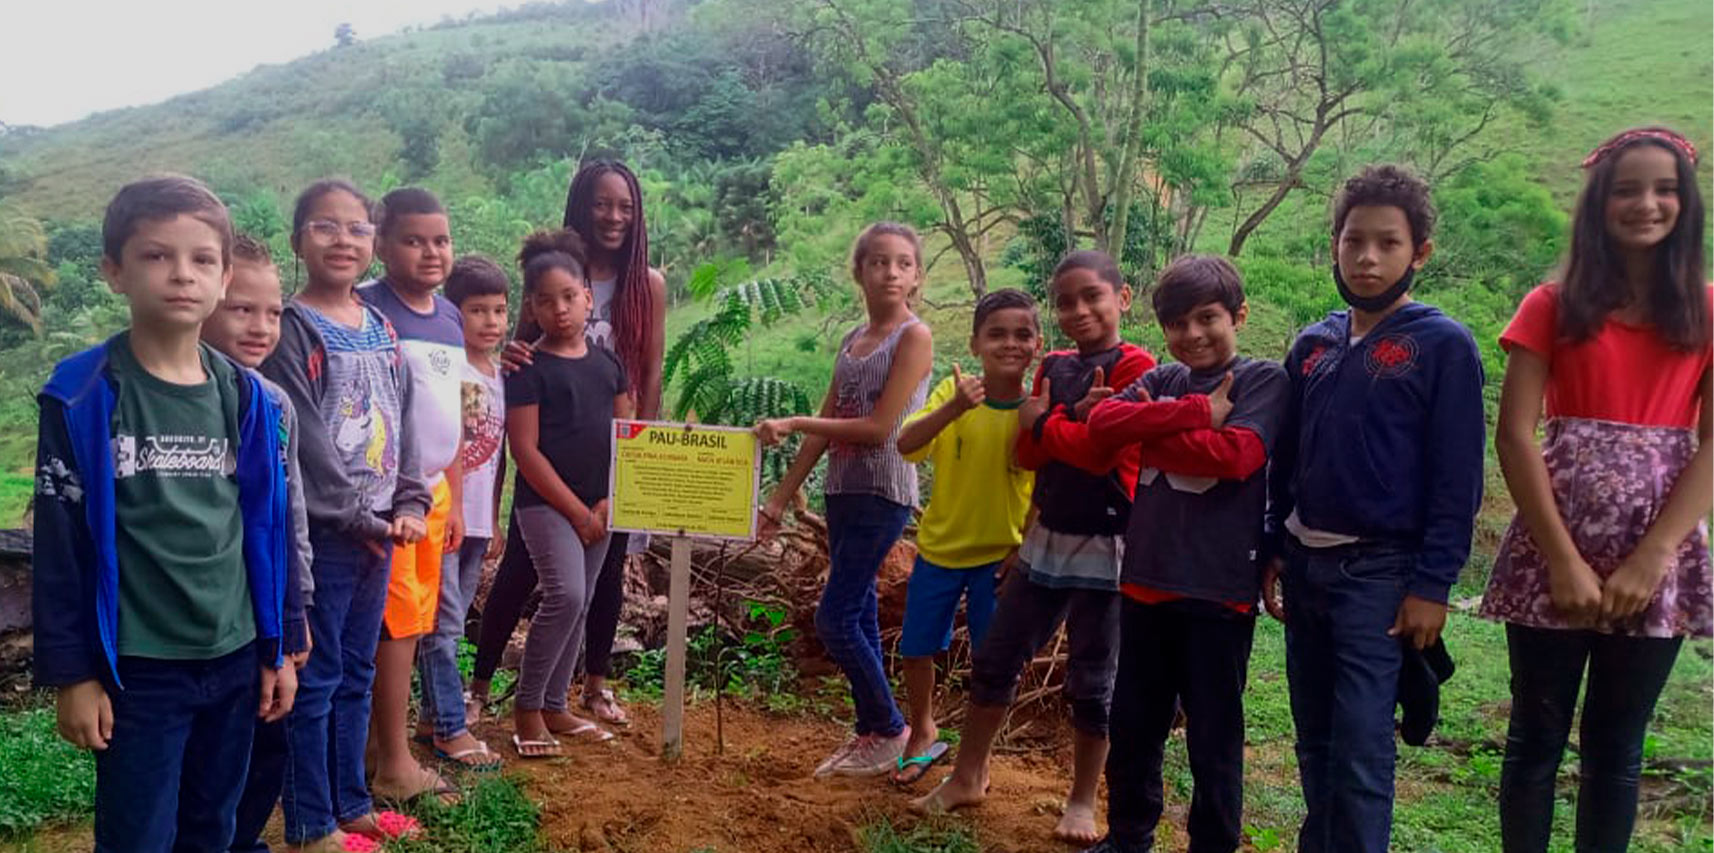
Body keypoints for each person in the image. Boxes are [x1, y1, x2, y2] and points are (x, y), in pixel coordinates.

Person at [32, 176, 297, 852]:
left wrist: (278, 647)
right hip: (139, 669)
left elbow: (267, 529)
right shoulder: (82, 396)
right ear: (114, 271)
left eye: (202, 259)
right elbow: (61, 547)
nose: (182, 274)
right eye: (155, 256)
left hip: (233, 657)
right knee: (138, 832)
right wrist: (74, 674)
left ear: (224, 274)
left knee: (213, 825)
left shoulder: (247, 397)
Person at [1479, 127, 1712, 853]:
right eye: (1627, 188)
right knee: (1536, 738)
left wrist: (1654, 556)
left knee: (1616, 748)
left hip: (1656, 561)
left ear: (1687, 201)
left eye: (1664, 188)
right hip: (1554, 550)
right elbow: (1516, 435)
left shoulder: (1705, 310)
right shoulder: (1551, 304)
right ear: (1598, 204)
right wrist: (1562, 559)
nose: (1647, 203)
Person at [1259, 165, 1486, 853]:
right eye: (1354, 239)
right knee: (1315, 737)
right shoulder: (1313, 344)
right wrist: (1273, 542)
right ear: (1333, 243)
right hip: (1304, 565)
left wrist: (1432, 584)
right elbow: (1286, 457)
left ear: (1420, 251)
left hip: (1380, 575)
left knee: (1360, 746)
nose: (1367, 257)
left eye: (1388, 242)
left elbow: (1457, 478)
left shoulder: (1442, 346)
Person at [915, 249, 1156, 845]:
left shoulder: (1139, 366)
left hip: (1112, 541)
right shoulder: (1051, 365)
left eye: (1092, 297)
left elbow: (1103, 450)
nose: (1080, 310)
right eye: (1067, 301)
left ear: (1122, 299)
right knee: (997, 655)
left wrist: (1049, 423)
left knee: (1094, 676)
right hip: (1044, 539)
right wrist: (1059, 426)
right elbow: (1027, 456)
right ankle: (968, 774)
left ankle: (1081, 800)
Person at [1082, 255, 1289, 853]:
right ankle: (1128, 837)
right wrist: (1197, 413)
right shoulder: (1168, 381)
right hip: (1146, 581)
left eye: (1207, 318)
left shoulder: (1263, 381)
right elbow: (1102, 426)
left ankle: (1213, 845)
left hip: (1219, 591)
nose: (1192, 334)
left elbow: (1238, 457)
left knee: (1213, 734)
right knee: (1134, 724)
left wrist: (1144, 433)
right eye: (1177, 323)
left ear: (1239, 315)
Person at [261, 179, 432, 852]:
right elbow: (301, 437)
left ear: (374, 242)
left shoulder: (382, 325)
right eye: (325, 227)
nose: (343, 240)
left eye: (357, 229)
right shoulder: (292, 327)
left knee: (358, 670)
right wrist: (362, 517)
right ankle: (310, 822)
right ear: (298, 237)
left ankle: (354, 804)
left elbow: (407, 419)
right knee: (319, 677)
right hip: (330, 536)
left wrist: (411, 497)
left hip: (384, 528)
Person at [470, 160, 667, 727]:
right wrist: (505, 353)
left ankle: (593, 686)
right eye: (602, 204)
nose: (614, 216)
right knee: (521, 571)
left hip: (611, 452)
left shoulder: (645, 284)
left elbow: (649, 372)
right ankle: (481, 685)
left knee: (603, 576)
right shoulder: (554, 272)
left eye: (625, 206)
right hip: (548, 448)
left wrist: (638, 456)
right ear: (582, 206)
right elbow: (517, 345)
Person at [753, 221, 935, 777]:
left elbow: (880, 428)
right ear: (859, 271)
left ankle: (890, 727)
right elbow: (825, 429)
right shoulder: (852, 342)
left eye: (903, 263)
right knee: (855, 609)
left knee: (834, 618)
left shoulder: (914, 336)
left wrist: (794, 419)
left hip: (884, 490)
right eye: (879, 261)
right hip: (843, 491)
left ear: (917, 277)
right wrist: (781, 499)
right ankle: (871, 735)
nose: (891, 272)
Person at [354, 188, 494, 780]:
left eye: (441, 240)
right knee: (393, 626)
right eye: (414, 240)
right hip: (386, 498)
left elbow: (454, 415)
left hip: (436, 494)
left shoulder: (447, 317)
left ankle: (384, 750)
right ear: (382, 244)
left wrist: (457, 499)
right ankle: (389, 758)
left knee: (418, 621)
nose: (431, 253)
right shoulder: (366, 310)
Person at [890, 288, 1040, 785]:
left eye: (1022, 334)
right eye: (996, 334)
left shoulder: (1037, 409)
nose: (1009, 344)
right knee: (917, 647)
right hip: (939, 549)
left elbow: (1049, 482)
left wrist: (1026, 545)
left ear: (1038, 343)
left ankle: (978, 755)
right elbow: (906, 443)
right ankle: (923, 729)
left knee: (991, 659)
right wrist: (954, 407)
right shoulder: (954, 394)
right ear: (975, 343)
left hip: (1000, 558)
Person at [202, 236, 316, 853]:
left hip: (267, 613)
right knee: (208, 756)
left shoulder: (275, 404)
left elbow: (290, 512)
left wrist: (298, 610)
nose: (261, 327)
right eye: (242, 309)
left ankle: (242, 839)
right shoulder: (178, 401)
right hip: (208, 620)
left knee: (269, 738)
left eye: (273, 313)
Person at [506, 229, 633, 757]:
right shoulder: (527, 369)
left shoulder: (608, 364)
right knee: (567, 595)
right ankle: (527, 708)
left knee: (580, 605)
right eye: (544, 300)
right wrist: (578, 511)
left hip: (601, 504)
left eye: (568, 296)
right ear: (531, 308)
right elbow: (526, 452)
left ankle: (558, 706)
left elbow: (627, 436)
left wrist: (606, 500)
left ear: (587, 296)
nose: (558, 309)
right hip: (546, 504)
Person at [417, 255, 509, 747]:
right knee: (445, 618)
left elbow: (500, 457)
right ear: (454, 313)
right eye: (477, 310)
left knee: (451, 615)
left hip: (476, 521)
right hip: (442, 514)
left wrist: (492, 518)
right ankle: (452, 725)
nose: (490, 321)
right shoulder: (448, 370)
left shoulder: (500, 374)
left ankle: (432, 718)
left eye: (498, 310)